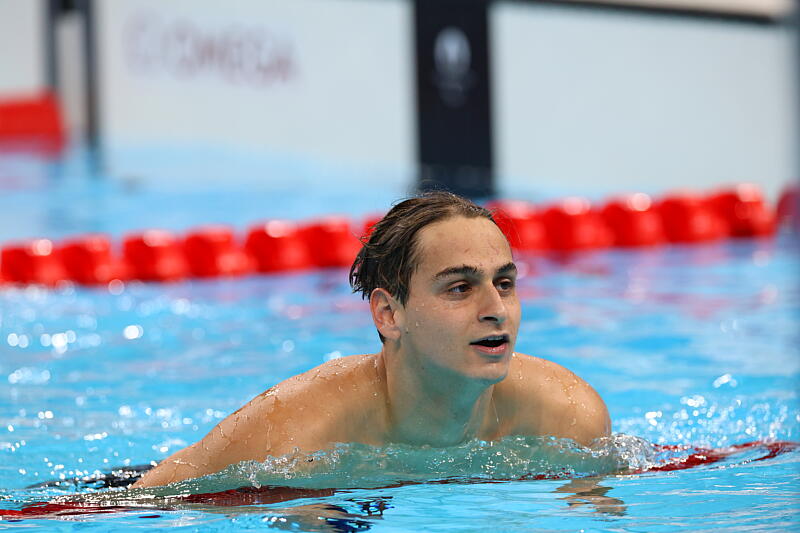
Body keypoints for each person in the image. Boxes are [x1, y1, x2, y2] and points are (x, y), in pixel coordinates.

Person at [133, 191, 610, 488]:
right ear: (388, 313)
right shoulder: (294, 435)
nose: (496, 309)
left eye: (504, 283)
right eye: (460, 288)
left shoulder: (567, 418)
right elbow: (140, 509)